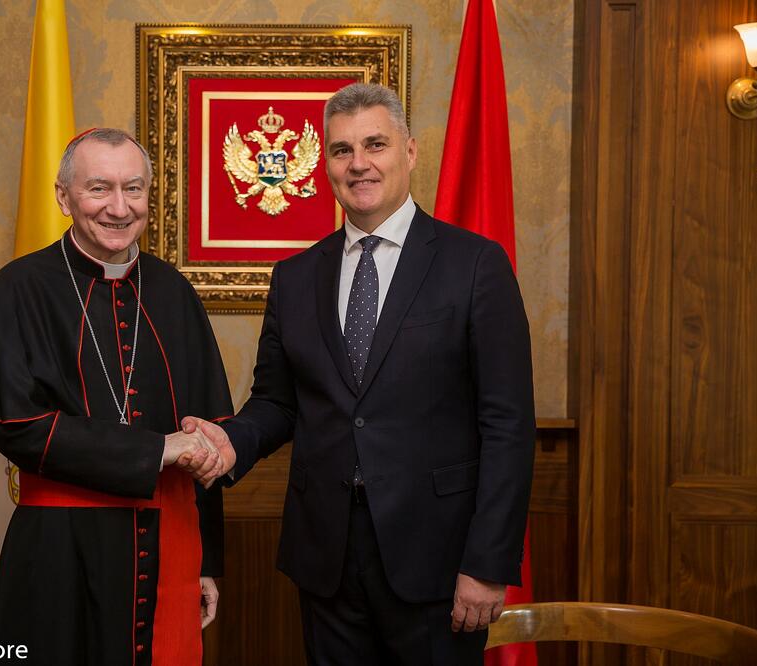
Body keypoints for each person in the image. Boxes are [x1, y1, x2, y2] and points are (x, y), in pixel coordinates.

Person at [183, 83, 535, 664]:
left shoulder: (474, 264)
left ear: (410, 151)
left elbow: (508, 423)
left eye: (375, 144)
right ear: (326, 164)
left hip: (439, 562)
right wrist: (229, 442)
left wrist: (488, 562)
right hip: (326, 559)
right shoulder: (295, 277)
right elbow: (277, 402)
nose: (359, 163)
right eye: (342, 150)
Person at [0, 128, 235, 665]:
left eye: (134, 189)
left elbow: (207, 435)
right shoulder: (14, 291)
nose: (120, 208)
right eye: (99, 188)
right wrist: (156, 451)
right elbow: (18, 428)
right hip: (59, 553)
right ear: (63, 196)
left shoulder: (173, 292)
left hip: (168, 546)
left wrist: (206, 560)